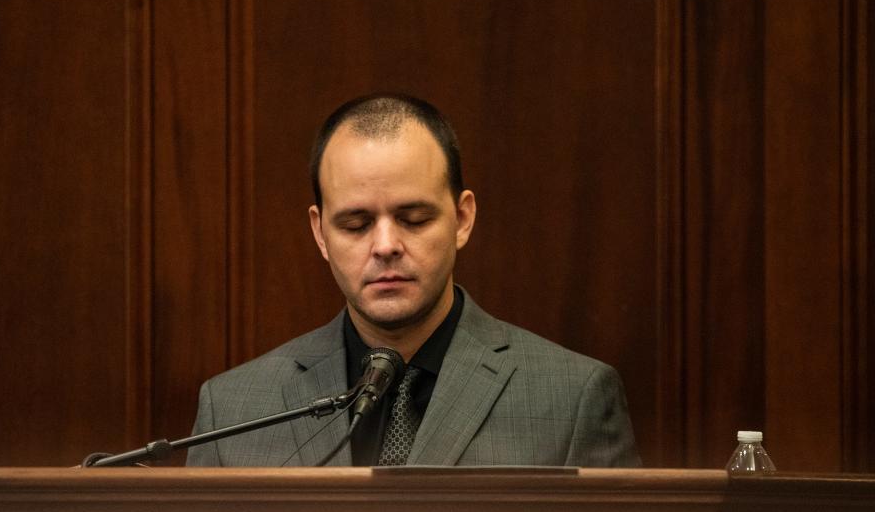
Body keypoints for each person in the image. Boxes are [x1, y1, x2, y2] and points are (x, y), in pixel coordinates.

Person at [187, 94, 640, 467]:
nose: (386, 245)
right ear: (319, 233)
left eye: (415, 218)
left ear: (462, 219)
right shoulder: (233, 408)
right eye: (356, 224)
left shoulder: (572, 399)